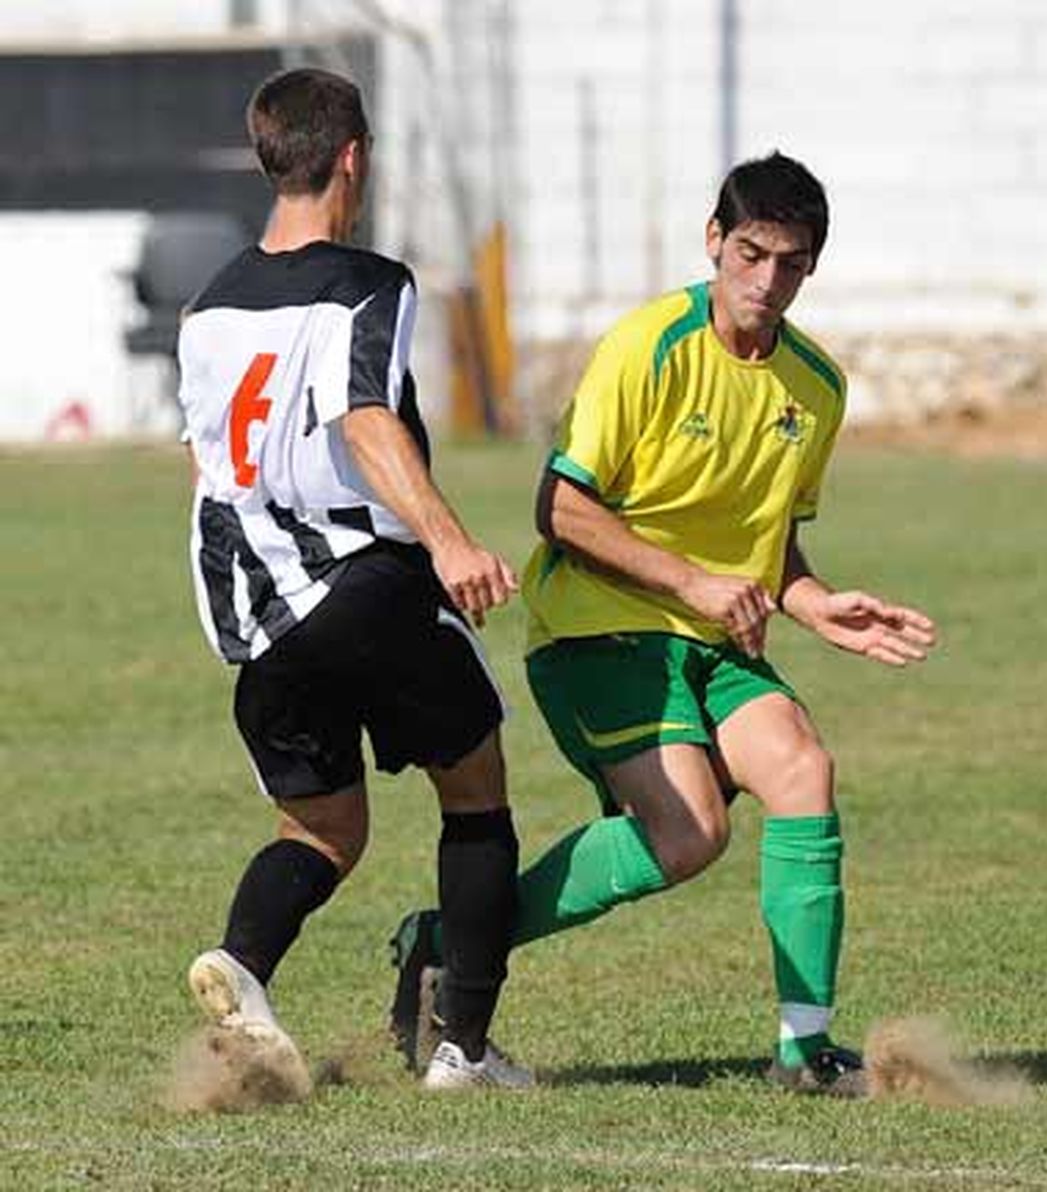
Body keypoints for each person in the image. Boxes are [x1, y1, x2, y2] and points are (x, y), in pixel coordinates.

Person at [388, 151, 937, 1097]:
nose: (767, 282)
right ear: (716, 241)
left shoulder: (817, 388)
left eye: (792, 264)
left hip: (710, 639)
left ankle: (805, 1050)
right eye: (752, 254)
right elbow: (559, 508)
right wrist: (693, 582)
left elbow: (771, 551)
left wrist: (816, 604)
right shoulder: (648, 346)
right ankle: (449, 939)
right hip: (595, 631)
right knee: (690, 834)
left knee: (804, 766)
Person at [177, 67, 528, 1091]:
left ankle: (242, 964)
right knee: (476, 793)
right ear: (353, 157)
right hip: (366, 585)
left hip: (264, 617)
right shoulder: (368, 283)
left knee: (324, 827)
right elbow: (364, 415)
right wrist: (450, 540)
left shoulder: (206, 309)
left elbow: (212, 468)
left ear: (265, 154)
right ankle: (462, 1046)